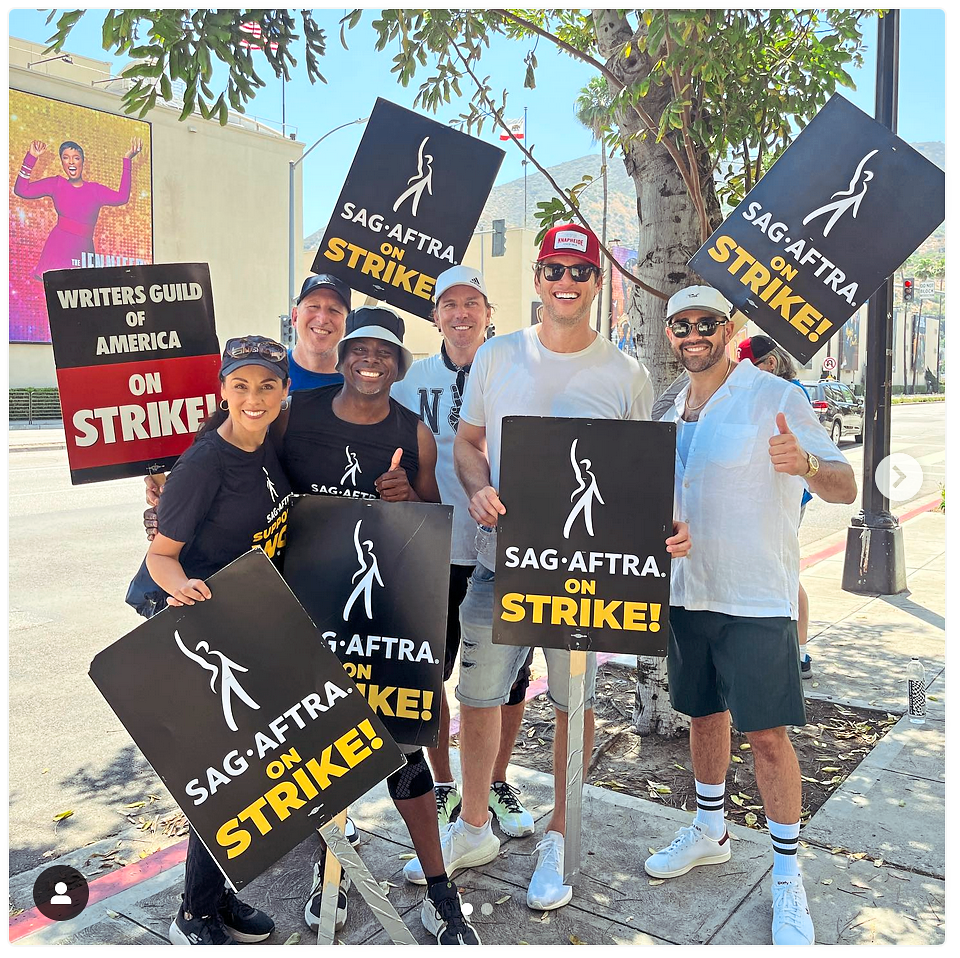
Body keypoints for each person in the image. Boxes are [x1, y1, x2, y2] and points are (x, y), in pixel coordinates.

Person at [421, 223, 690, 912]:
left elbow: (642, 472)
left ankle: (561, 836)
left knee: (575, 702)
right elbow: (469, 444)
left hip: (585, 576)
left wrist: (670, 522)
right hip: (501, 561)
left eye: (580, 271)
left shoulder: (625, 374)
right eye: (553, 270)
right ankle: (473, 827)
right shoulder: (497, 356)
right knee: (478, 696)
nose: (565, 282)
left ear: (598, 282)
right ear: (536, 278)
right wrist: (478, 486)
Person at [645, 286, 857, 946]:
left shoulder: (775, 397)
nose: (693, 334)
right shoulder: (667, 410)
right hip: (688, 592)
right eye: (681, 324)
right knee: (702, 714)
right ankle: (710, 830)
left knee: (767, 736)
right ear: (670, 334)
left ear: (728, 327)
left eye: (706, 322)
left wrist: (808, 463)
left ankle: (788, 877)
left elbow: (845, 485)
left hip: (755, 597)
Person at [277, 305, 480, 945]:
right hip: (305, 605)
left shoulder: (413, 431)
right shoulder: (294, 414)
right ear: (342, 359)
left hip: (383, 609)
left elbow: (431, 518)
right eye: (360, 350)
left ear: (398, 365)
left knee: (401, 743)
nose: (371, 361)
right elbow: (242, 465)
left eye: (384, 353)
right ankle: (330, 869)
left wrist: (406, 497)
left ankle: (440, 890)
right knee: (322, 747)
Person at [146, 335, 292, 945]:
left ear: (284, 392)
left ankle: (216, 897)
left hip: (238, 621)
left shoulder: (265, 447)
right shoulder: (206, 462)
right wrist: (185, 590)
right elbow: (160, 557)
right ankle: (194, 914)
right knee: (220, 773)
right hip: (193, 625)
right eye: (241, 385)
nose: (254, 397)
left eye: (266, 385)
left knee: (244, 771)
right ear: (223, 389)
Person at [391, 265, 536, 839]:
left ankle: (495, 780)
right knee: (432, 676)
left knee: (510, 678)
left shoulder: (515, 371)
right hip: (436, 548)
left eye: (472, 303)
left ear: (488, 313)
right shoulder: (411, 381)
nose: (461, 314)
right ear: (435, 316)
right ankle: (447, 783)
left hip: (508, 549)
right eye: (449, 304)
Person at [737, 334, 815, 679]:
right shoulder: (763, 390)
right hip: (765, 493)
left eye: (749, 367)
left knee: (783, 569)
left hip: (786, 494)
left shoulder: (787, 394)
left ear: (770, 363)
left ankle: (799, 651)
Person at [14, 137, 142, 278]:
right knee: (56, 290)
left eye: (76, 158)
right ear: (62, 162)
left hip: (83, 251)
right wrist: (31, 157)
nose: (71, 162)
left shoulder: (95, 190)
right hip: (57, 249)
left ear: (82, 161)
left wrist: (127, 159)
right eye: (66, 158)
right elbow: (21, 190)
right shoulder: (56, 184)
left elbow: (122, 197)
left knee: (83, 287)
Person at [287, 273, 351, 389]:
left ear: (348, 323)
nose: (322, 319)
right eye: (313, 306)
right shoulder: (268, 371)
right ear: (295, 316)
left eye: (334, 310)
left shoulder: (358, 387)